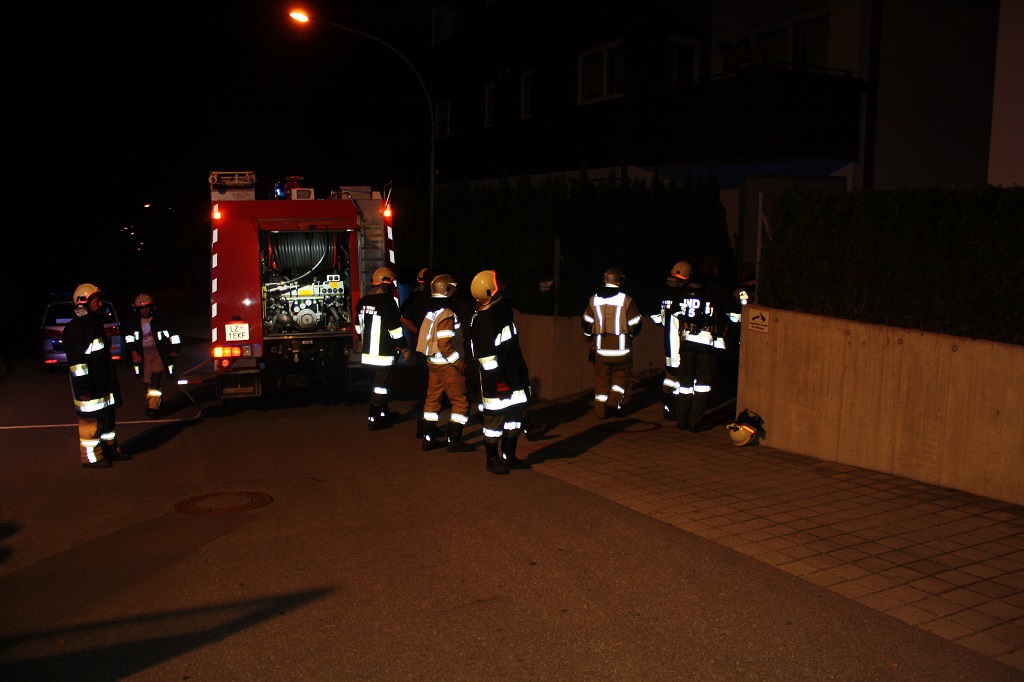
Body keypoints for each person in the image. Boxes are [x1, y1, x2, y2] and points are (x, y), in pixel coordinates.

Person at [468, 270, 532, 475]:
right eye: (499, 282)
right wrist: (500, 383)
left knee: (514, 419)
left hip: (512, 377)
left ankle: (509, 456)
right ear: (490, 289)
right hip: (499, 382)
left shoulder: (499, 312)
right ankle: (492, 459)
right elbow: (487, 359)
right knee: (494, 422)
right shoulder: (486, 319)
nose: (503, 284)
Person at [62, 283, 128, 468]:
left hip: (102, 383)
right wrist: (83, 388)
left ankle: (110, 450)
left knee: (107, 419)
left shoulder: (93, 324)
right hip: (89, 387)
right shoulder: (77, 329)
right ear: (83, 303)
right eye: (97, 301)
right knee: (90, 423)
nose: (101, 304)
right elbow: (78, 364)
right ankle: (91, 458)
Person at [674, 256, 741, 432]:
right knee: (702, 385)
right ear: (715, 271)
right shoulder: (715, 287)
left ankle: (681, 420)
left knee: (684, 384)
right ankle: (695, 422)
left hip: (687, 341)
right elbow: (735, 311)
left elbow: (675, 309)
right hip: (706, 344)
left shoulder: (687, 286)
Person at [417, 274, 474, 453]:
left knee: (432, 401)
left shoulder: (432, 313)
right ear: (448, 292)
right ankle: (454, 439)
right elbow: (445, 346)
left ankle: (428, 438)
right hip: (448, 366)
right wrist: (459, 364)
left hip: (433, 363)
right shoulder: (447, 314)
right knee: (461, 403)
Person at [581, 267, 643, 419]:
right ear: (620, 280)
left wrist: (588, 337)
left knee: (602, 381)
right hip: (622, 351)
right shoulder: (626, 300)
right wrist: (630, 336)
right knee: (621, 378)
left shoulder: (594, 299)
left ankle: (601, 412)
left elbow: (586, 322)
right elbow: (636, 323)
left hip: (601, 351)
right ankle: (613, 403)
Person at [356, 267, 409, 430]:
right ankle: (374, 418)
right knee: (381, 387)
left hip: (367, 353)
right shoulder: (388, 302)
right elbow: (395, 330)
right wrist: (404, 347)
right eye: (392, 284)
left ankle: (384, 413)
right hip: (383, 353)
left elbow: (358, 328)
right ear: (386, 284)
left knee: (379, 385)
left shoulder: (363, 301)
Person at [124, 292, 181, 418]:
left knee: (155, 379)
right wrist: (133, 352)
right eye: (141, 308)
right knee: (146, 382)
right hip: (143, 355)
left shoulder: (160, 319)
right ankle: (158, 403)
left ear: (151, 306)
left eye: (147, 307)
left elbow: (173, 335)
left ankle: (153, 406)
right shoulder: (133, 322)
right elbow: (129, 338)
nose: (144, 311)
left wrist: (174, 349)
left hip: (158, 353)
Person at [650, 261, 693, 420]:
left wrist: (664, 324)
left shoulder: (664, 292)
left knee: (670, 377)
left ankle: (668, 407)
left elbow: (655, 315)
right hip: (682, 344)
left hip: (668, 343)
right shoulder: (685, 295)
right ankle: (679, 408)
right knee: (683, 379)